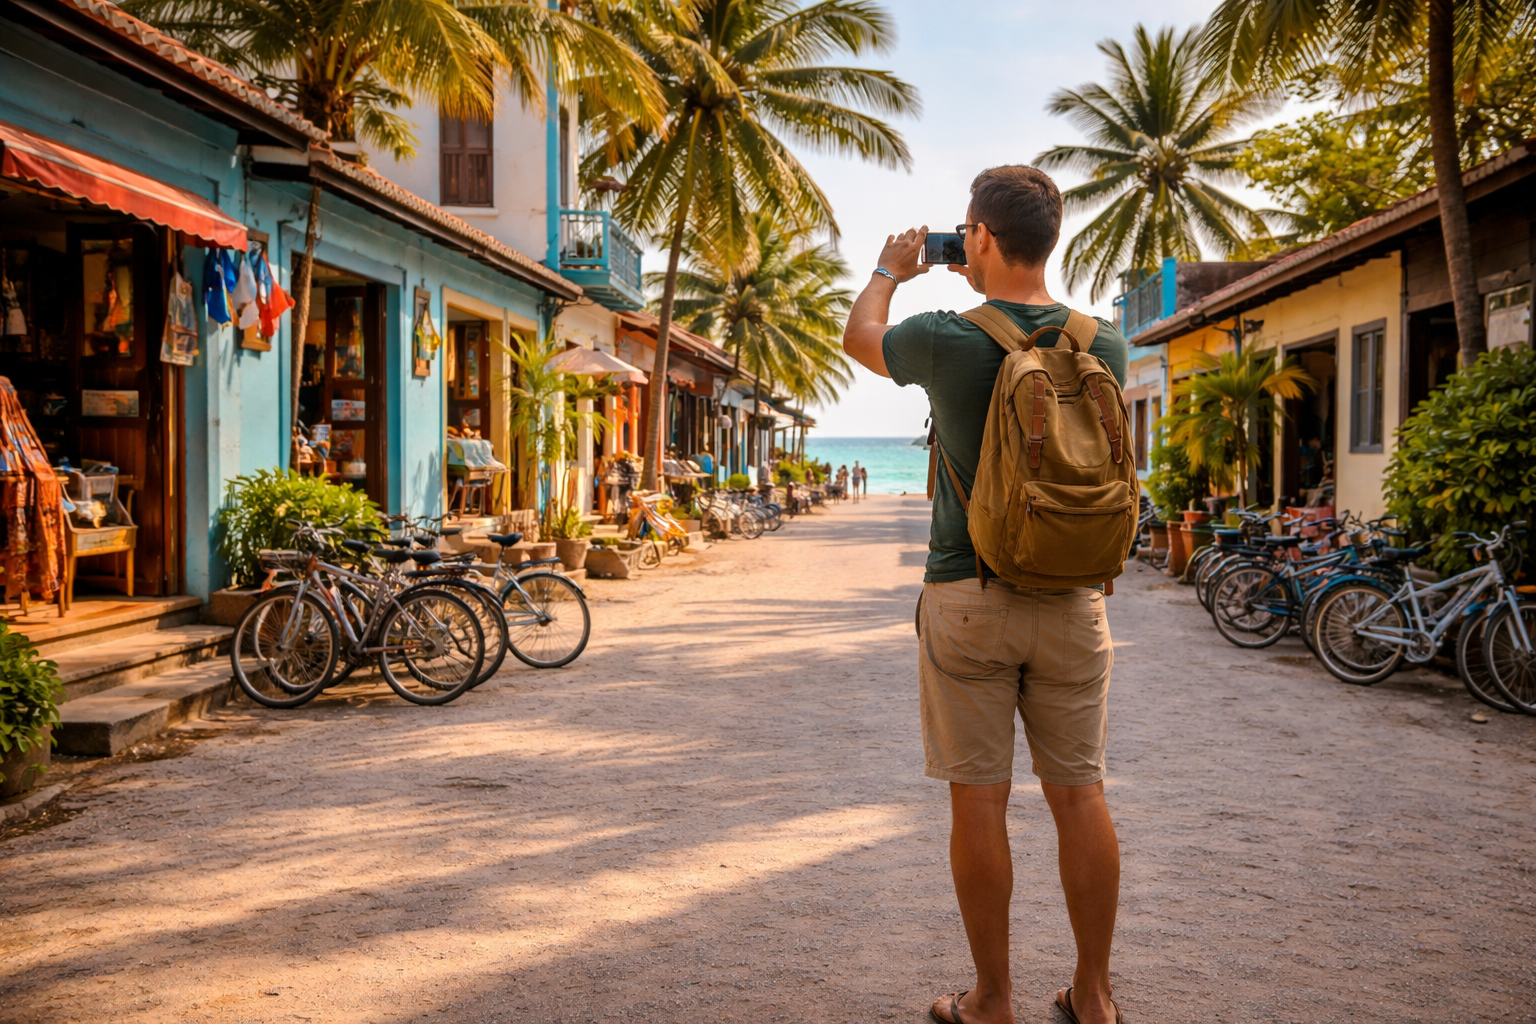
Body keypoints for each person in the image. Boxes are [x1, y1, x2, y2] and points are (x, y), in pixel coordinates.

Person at [841, 165, 1130, 1024]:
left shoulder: (945, 337)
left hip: (967, 593)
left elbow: (862, 338)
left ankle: (993, 1000)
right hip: (1077, 600)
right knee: (1080, 795)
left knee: (980, 798)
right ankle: (1096, 995)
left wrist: (893, 269)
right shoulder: (1102, 342)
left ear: (979, 238)